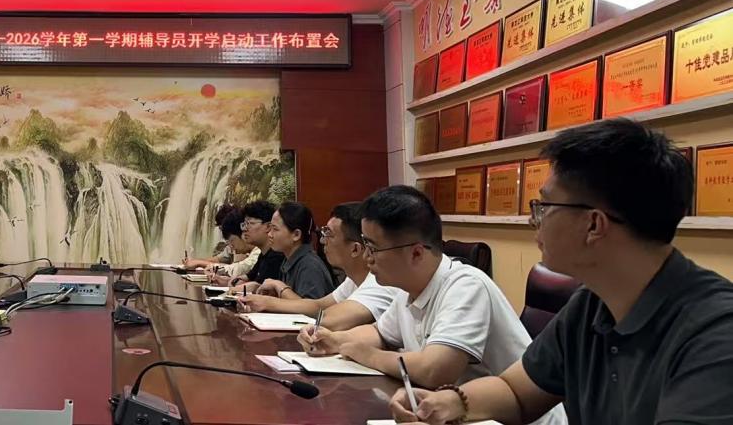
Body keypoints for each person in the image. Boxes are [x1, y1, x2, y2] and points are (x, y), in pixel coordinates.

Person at [391, 119, 733, 425]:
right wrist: (450, 402)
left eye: (544, 206)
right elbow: (516, 392)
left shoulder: (716, 333)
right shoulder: (592, 304)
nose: (533, 220)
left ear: (593, 225)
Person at [302, 186, 562, 425]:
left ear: (416, 252)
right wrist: (335, 341)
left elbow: (435, 370)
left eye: (373, 248)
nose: (367, 258)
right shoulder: (408, 289)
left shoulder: (466, 286)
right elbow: (379, 333)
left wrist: (367, 354)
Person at [239, 202, 397, 331]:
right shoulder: (353, 280)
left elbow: (328, 318)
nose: (322, 241)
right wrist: (264, 302)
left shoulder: (379, 283)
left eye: (328, 234)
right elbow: (317, 306)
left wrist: (274, 297)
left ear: (355, 249)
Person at [253, 201, 335, 299]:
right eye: (270, 228)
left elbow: (310, 306)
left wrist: (278, 285)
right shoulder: (288, 259)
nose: (270, 234)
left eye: (275, 229)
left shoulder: (309, 265)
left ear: (296, 235)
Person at [226, 200, 284, 293]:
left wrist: (235, 288)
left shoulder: (277, 257)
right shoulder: (263, 254)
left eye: (250, 224)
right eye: (244, 224)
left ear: (268, 227)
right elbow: (246, 278)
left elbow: (260, 290)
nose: (245, 229)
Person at [184, 204, 256, 274]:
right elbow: (219, 259)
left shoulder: (257, 252)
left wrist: (199, 263)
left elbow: (238, 269)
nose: (230, 245)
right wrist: (195, 262)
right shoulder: (237, 246)